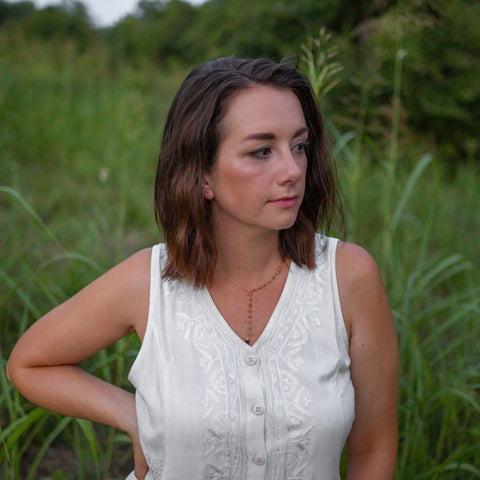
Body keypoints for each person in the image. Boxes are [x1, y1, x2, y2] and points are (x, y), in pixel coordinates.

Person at [7, 56, 398, 480]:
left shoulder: (348, 276)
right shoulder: (148, 282)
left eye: (299, 146)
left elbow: (373, 449)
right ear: (202, 175)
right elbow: (29, 363)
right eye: (261, 151)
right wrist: (130, 413)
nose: (292, 170)